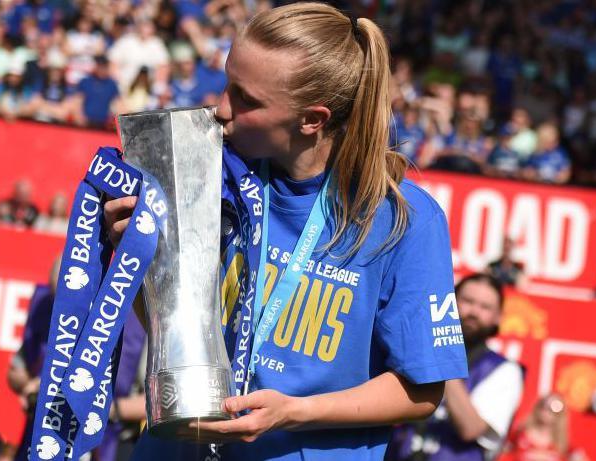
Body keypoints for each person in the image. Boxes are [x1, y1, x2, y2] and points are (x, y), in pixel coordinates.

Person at [104, 4, 468, 460]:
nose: (220, 109)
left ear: (312, 120)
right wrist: (138, 258)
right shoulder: (207, 175)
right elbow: (176, 331)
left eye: (246, 99)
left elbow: (422, 390)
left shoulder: (403, 220)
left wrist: (293, 412)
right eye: (226, 83)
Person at [8, 258, 146, 461]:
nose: (67, 317)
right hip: (48, 438)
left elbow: (154, 403)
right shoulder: (50, 311)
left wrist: (102, 408)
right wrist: (33, 387)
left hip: (110, 442)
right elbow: (15, 371)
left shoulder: (137, 324)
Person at [387, 273, 524, 461]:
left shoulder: (505, 371)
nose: (474, 312)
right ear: (449, 304)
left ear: (498, 317)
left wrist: (442, 356)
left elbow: (471, 428)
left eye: (485, 307)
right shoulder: (415, 349)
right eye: (467, 301)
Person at [502, 394, 576, 461]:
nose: (547, 412)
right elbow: (504, 452)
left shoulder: (562, 443)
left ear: (560, 415)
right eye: (544, 406)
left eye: (554, 408)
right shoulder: (519, 432)